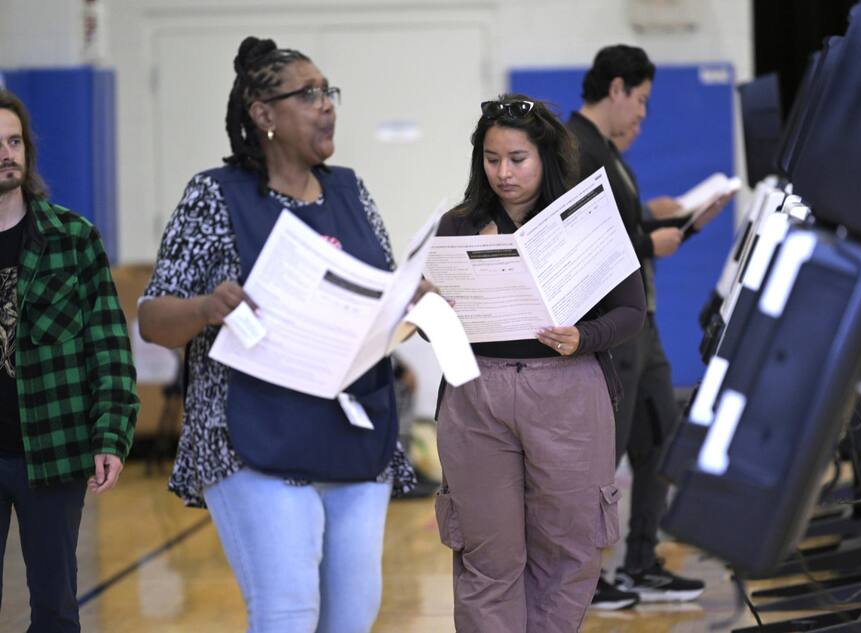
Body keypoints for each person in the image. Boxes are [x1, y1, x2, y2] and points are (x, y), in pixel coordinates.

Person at [137, 36, 417, 633]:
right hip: (252, 436)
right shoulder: (215, 196)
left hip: (352, 432)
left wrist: (415, 304)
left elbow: (380, 300)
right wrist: (205, 308)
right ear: (264, 114)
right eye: (308, 94)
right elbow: (153, 320)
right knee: (288, 611)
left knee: (351, 618)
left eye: (328, 92)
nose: (326, 104)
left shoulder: (351, 191)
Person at [433, 94, 646, 632]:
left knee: (568, 554)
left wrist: (584, 336)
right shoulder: (458, 225)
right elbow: (436, 325)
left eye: (517, 159)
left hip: (568, 391)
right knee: (487, 556)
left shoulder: (586, 221)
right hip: (476, 395)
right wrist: (432, 308)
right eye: (491, 159)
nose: (503, 173)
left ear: (546, 158)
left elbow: (631, 312)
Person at [566, 44, 729, 607]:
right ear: (616, 88)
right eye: (640, 100)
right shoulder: (575, 149)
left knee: (659, 437)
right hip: (610, 323)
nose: (642, 113)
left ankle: (641, 562)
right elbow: (581, 241)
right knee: (602, 454)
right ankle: (581, 576)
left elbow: (624, 229)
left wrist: (683, 221)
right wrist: (646, 237)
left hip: (643, 318)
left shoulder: (608, 153)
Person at [0, 88, 139, 632]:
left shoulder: (73, 239)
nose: (6, 154)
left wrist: (111, 434)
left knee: (56, 609)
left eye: (14, 142)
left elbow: (109, 344)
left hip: (53, 450)